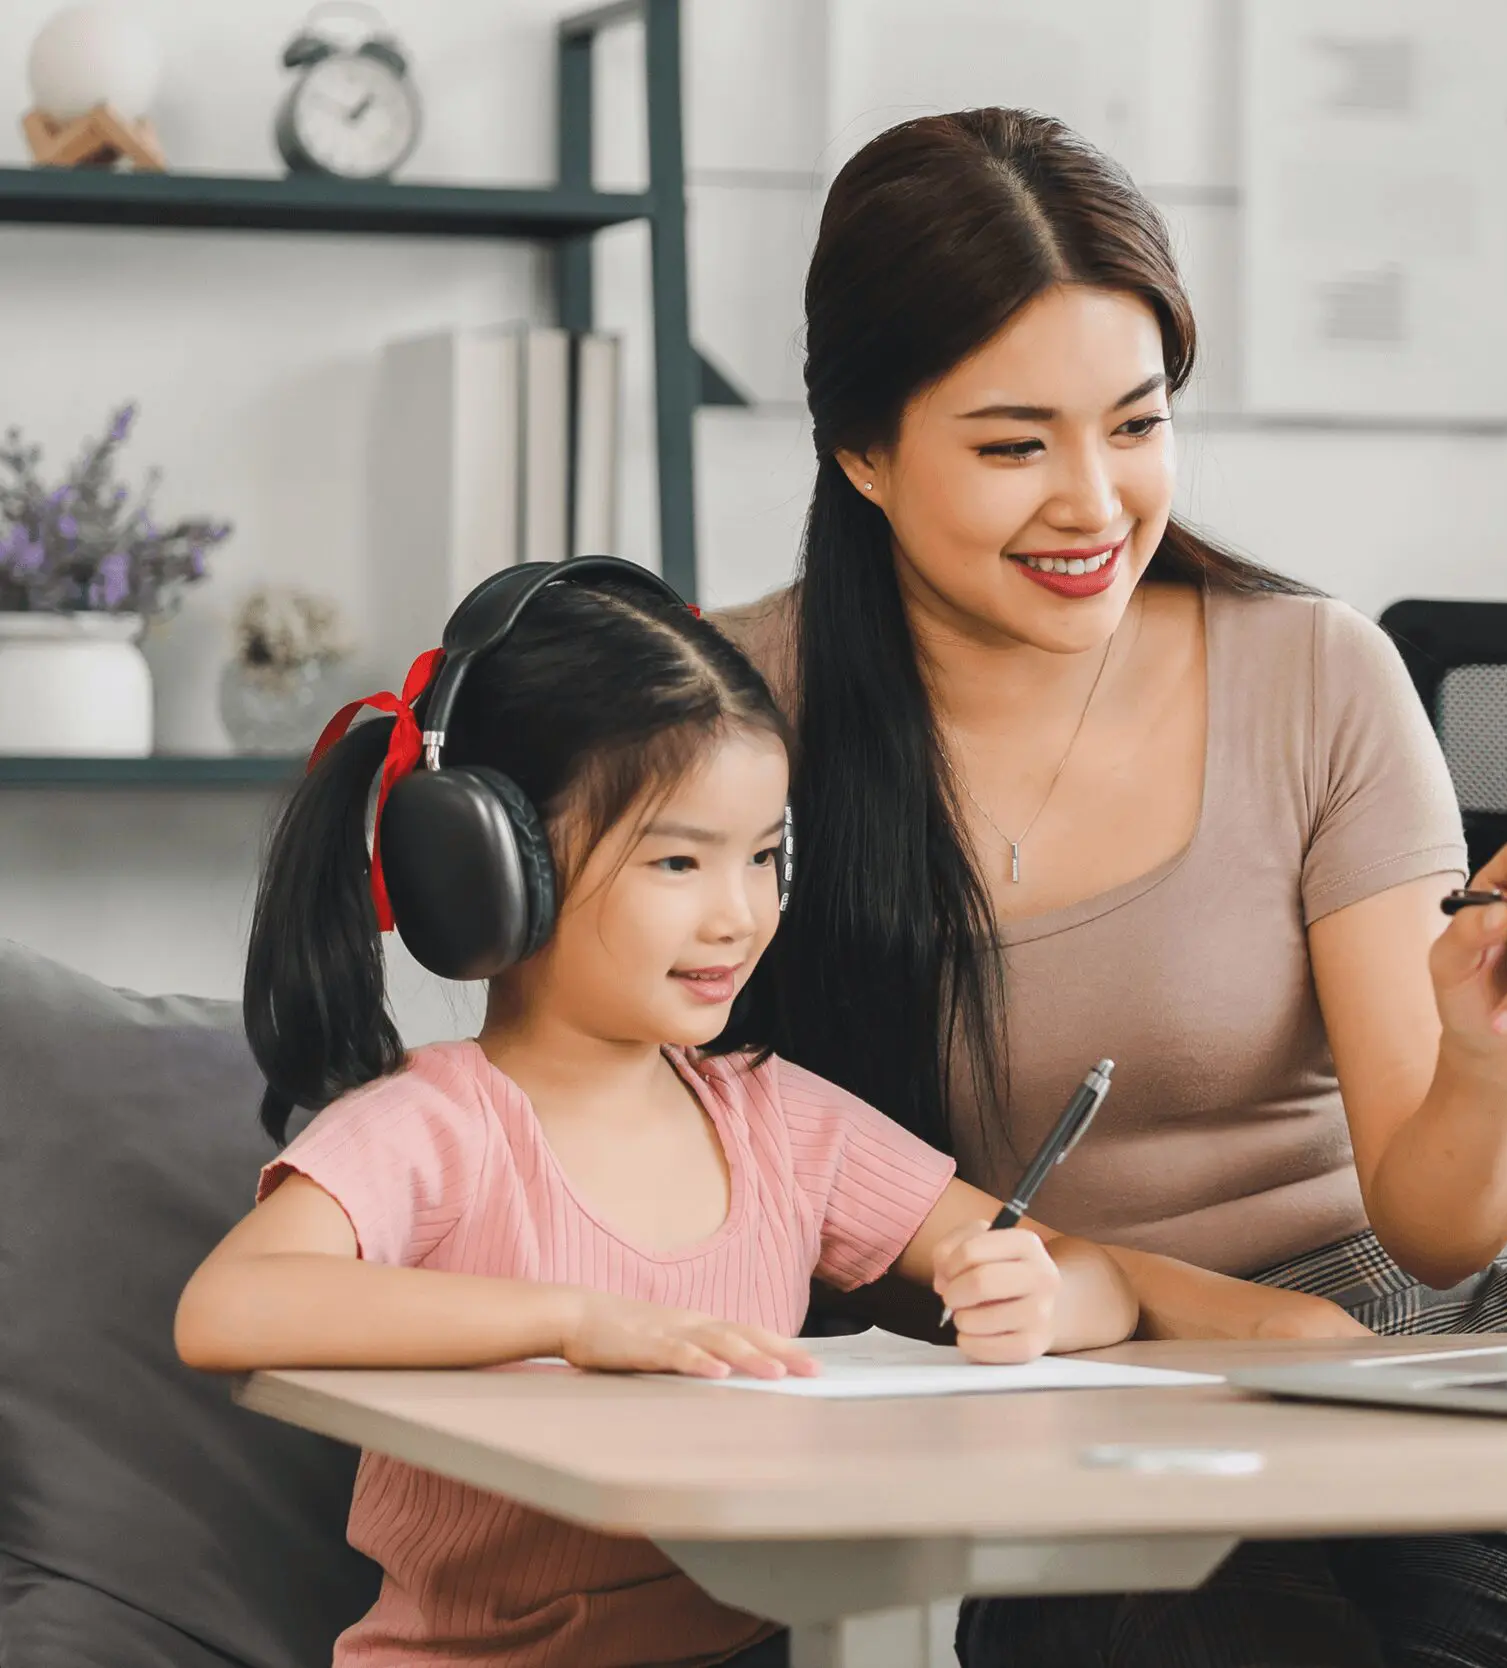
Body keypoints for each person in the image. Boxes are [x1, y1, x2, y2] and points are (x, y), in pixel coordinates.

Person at [715, 109, 1507, 1667]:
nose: (1095, 503)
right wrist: (1133, 1299)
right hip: (1033, 1381)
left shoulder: (1314, 674)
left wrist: (1488, 1070)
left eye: (1137, 423)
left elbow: (1438, 1233)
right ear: (865, 453)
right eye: (1015, 445)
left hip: (1383, 1336)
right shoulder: (726, 715)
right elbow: (670, 1146)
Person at [173, 562, 1142, 1668]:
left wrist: (1036, 1300)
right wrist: (573, 1324)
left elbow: (1094, 1277)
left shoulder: (780, 1124)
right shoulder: (439, 1127)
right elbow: (229, 1307)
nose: (739, 915)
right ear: (493, 869)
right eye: (678, 860)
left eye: (765, 857)